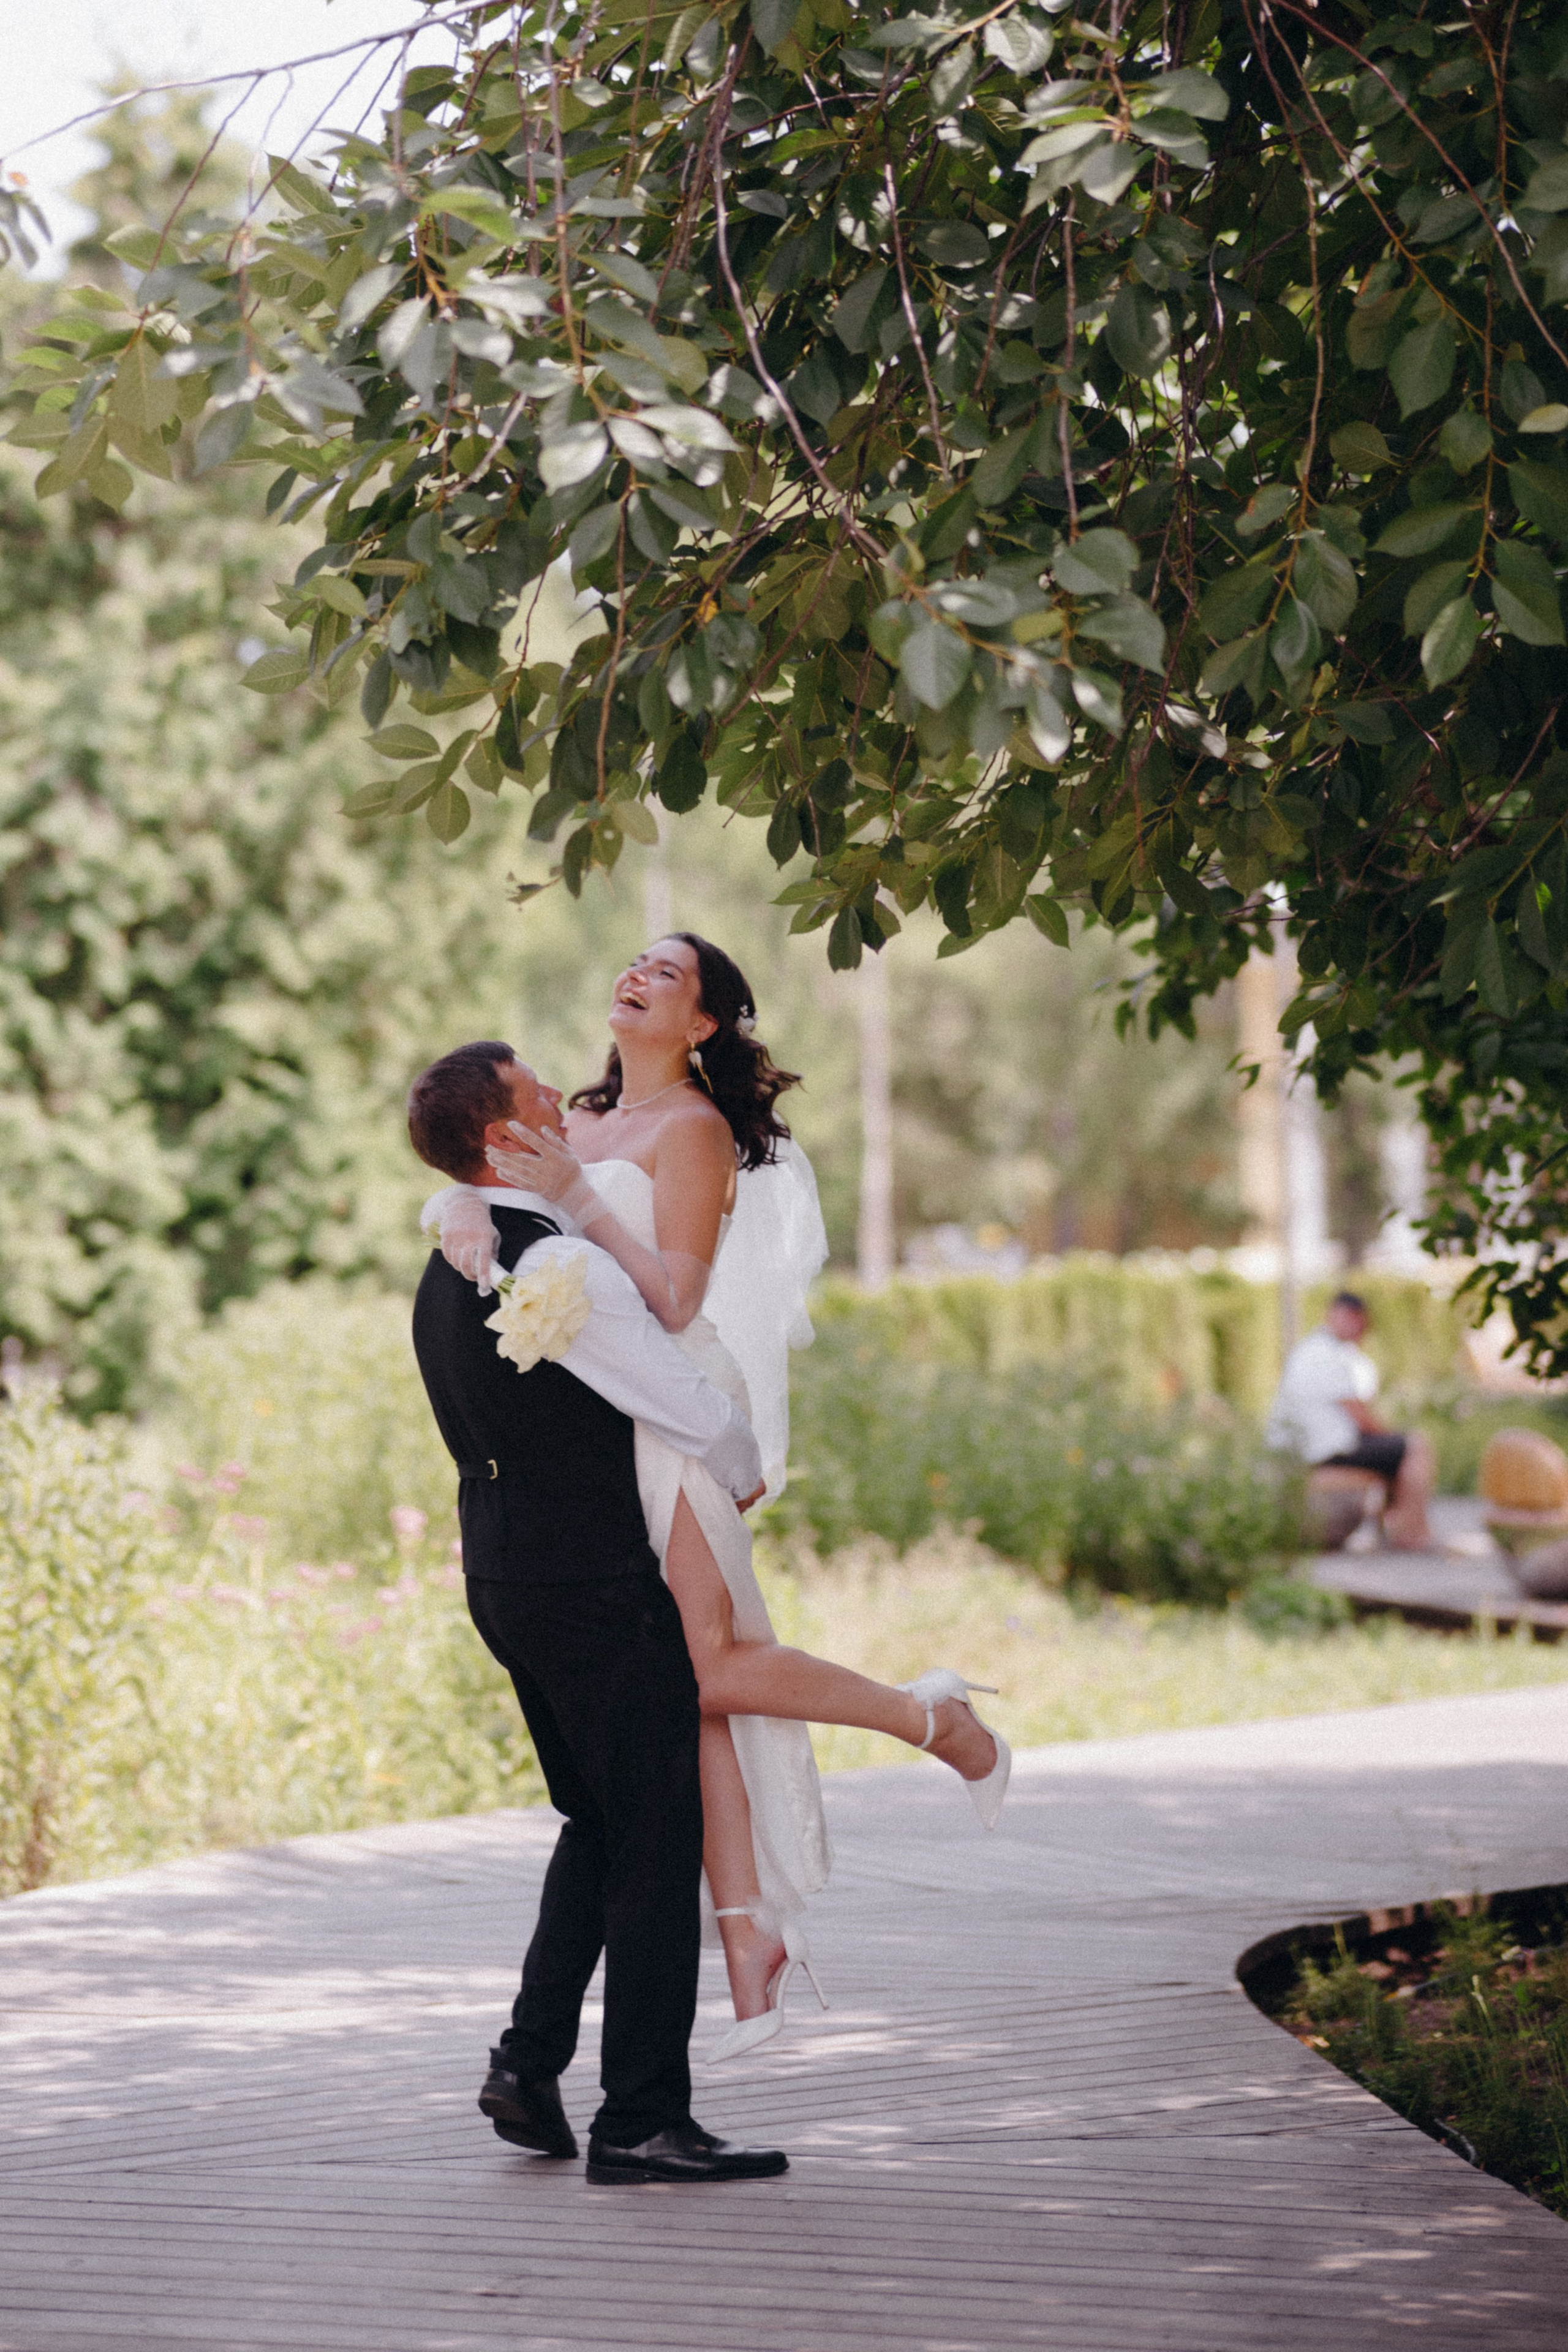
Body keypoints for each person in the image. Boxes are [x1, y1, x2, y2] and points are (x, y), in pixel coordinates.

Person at [427, 937, 1009, 2061]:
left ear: (701, 1024)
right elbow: (489, 1177)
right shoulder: (578, 1119)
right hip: (608, 1425)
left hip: (677, 1404)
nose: (634, 975)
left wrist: (579, 1204)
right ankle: (748, 1941)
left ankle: (933, 1720)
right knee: (681, 1689)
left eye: (665, 973)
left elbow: (676, 1300)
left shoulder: (693, 1131)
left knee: (703, 1670)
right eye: (632, 962)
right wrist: (456, 1208)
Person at [407, 1039, 788, 2185]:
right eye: (535, 1092)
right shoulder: (554, 1265)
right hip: (590, 1585)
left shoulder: (455, 1256)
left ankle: (528, 2067)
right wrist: (744, 1465)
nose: (559, 1097)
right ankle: (642, 2120)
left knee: (599, 1819)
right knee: (658, 1836)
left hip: (502, 1577)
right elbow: (675, 1399)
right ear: (503, 1138)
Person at [1266, 1289, 1435, 1550]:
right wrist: (1391, 1436)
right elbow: (1361, 1417)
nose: (1362, 1332)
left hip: (1308, 1448)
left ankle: (1398, 1528)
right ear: (1346, 1316)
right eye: (1361, 1323)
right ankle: (1413, 1533)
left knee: (1393, 1449)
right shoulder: (1326, 1354)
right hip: (1323, 1452)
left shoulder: (1311, 1350)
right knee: (1414, 1446)